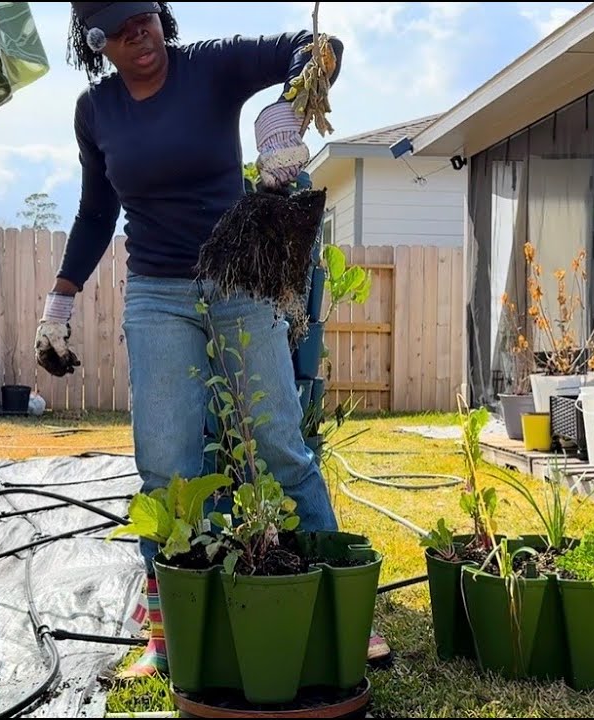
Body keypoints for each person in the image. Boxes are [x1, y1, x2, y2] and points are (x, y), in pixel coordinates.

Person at [35, 2, 390, 680]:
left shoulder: (211, 66)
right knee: (166, 467)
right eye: (120, 26)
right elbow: (95, 210)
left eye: (146, 15)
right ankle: (168, 635)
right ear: (95, 41)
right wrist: (61, 299)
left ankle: (345, 610)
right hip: (158, 295)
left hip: (240, 279)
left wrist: (285, 110)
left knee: (279, 444)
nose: (139, 33)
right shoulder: (97, 111)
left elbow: (317, 43)